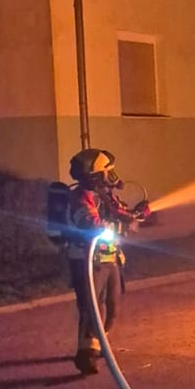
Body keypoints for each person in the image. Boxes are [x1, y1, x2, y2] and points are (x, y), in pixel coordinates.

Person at [66, 149, 149, 376]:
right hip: (88, 261)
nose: (111, 177)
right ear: (95, 175)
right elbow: (92, 224)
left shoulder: (104, 195)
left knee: (112, 307)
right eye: (106, 172)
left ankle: (98, 341)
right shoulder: (80, 198)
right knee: (92, 308)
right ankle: (86, 355)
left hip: (110, 258)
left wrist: (138, 214)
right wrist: (123, 226)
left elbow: (120, 213)